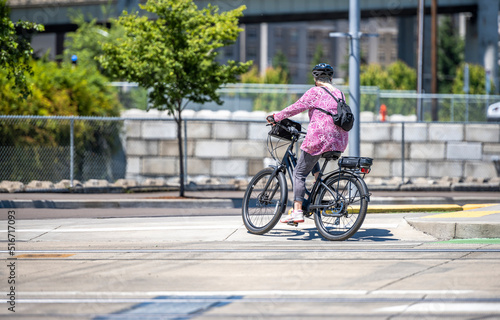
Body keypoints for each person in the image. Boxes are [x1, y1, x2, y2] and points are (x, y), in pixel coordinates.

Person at [266, 63, 349, 224]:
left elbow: (295, 108)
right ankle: (317, 187)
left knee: (299, 173)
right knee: (311, 156)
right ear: (330, 78)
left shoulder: (315, 92)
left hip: (320, 138)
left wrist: (276, 117)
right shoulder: (340, 93)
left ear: (316, 79)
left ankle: (297, 211)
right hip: (339, 140)